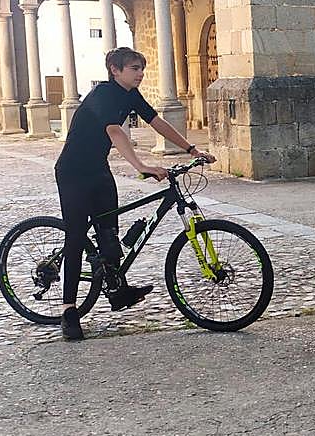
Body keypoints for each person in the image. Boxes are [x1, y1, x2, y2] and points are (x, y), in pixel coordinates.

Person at [55, 46, 214, 342]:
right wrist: (142, 165)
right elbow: (115, 132)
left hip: (99, 172)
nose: (140, 73)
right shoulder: (103, 95)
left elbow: (157, 122)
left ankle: (118, 291)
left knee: (109, 235)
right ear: (115, 70)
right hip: (73, 173)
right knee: (75, 237)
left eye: (141, 68)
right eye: (134, 68)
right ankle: (69, 311)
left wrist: (192, 149)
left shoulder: (130, 95)